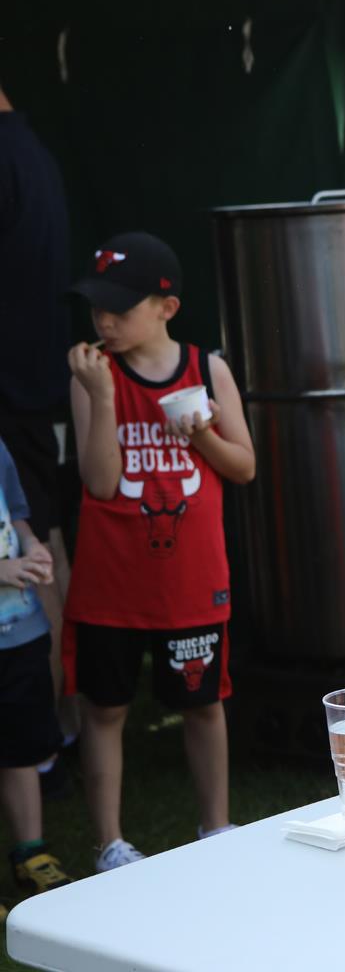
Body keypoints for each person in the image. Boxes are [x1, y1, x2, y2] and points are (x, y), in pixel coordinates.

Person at [61, 232, 256, 872]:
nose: (104, 320)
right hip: (110, 583)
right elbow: (100, 483)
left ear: (166, 308)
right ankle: (110, 844)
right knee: (105, 708)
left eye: (120, 307)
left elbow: (244, 466)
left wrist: (200, 434)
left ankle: (216, 827)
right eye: (97, 307)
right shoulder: (93, 376)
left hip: (191, 581)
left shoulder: (207, 370)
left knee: (202, 704)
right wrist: (103, 397)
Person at [0, 77, 78, 786]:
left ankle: (46, 738)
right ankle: (58, 726)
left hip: (17, 396)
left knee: (36, 554)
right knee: (44, 544)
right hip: (32, 392)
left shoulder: (10, 157)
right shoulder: (30, 151)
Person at [0, 438, 74, 912]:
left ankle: (31, 852)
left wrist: (32, 547)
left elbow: (18, 514)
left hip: (19, 628)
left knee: (22, 745)